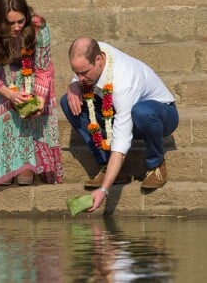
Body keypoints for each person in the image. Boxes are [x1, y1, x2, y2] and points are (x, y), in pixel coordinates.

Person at [60, 37, 178, 211]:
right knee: (67, 102)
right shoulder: (97, 50)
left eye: (84, 73)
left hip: (161, 114)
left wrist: (104, 190)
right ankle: (108, 165)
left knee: (142, 112)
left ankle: (156, 164)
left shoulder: (124, 82)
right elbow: (79, 75)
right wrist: (74, 85)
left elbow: (121, 144)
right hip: (120, 109)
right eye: (76, 72)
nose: (80, 77)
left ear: (99, 60)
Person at [0, 0, 63, 191]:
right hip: (1, 74)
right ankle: (4, 166)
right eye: (10, 23)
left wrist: (39, 100)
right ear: (0, 22)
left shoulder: (38, 27)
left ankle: (26, 167)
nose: (17, 27)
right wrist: (10, 94)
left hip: (32, 72)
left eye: (20, 21)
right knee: (5, 112)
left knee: (31, 110)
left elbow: (43, 68)